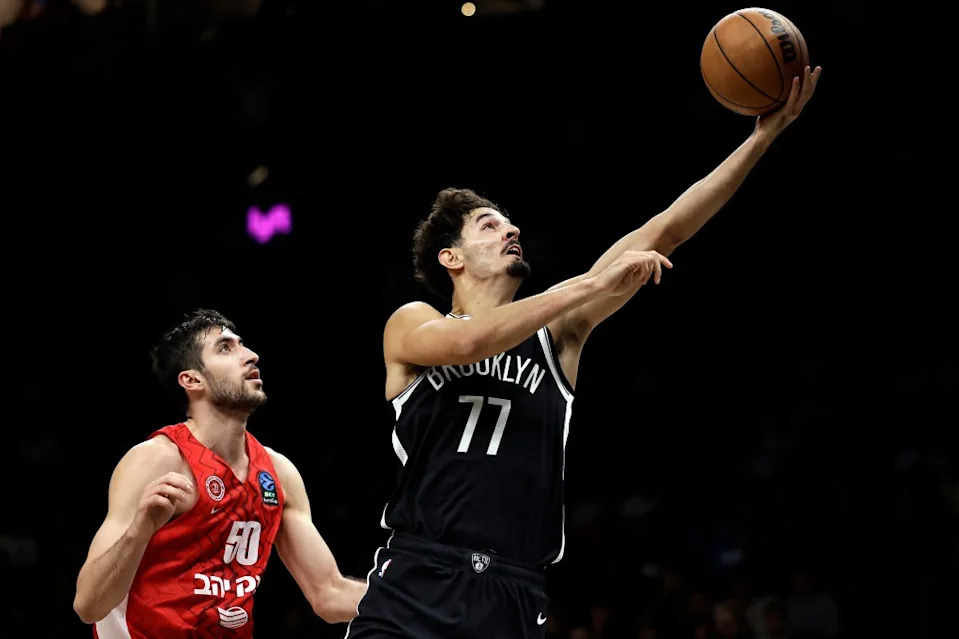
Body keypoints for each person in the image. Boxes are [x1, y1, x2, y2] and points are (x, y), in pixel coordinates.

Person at [346, 65, 822, 639]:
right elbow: (469, 342)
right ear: (451, 258)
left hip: (513, 589)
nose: (511, 231)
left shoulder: (558, 334)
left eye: (510, 224)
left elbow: (666, 229)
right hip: (418, 574)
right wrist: (593, 284)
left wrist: (761, 139)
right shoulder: (413, 323)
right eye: (489, 226)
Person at [73, 309, 367, 637]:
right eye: (225, 348)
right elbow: (89, 605)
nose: (251, 355)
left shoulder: (278, 474)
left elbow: (329, 594)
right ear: (192, 380)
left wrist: (410, 596)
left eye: (242, 344)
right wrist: (140, 530)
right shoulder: (155, 460)